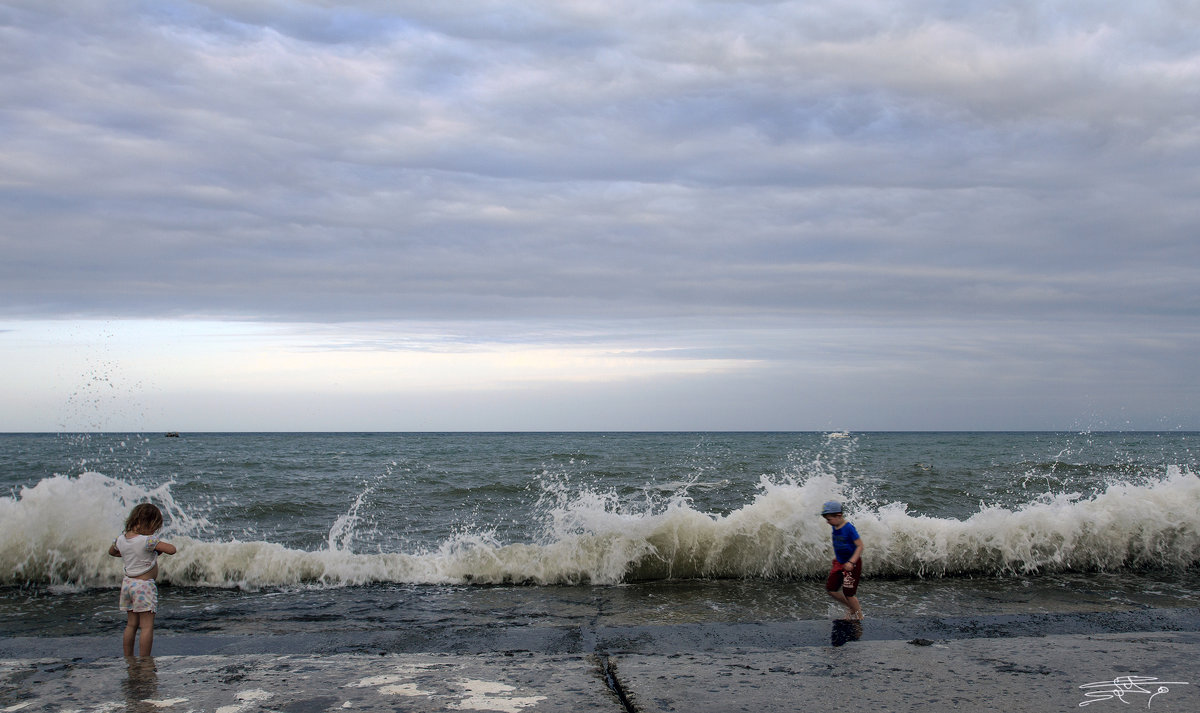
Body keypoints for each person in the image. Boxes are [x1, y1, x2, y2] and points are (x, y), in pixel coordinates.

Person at [108, 503, 177, 656]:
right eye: (153, 527)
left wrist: (127, 553)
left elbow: (112, 552)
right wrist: (156, 548)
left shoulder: (120, 539)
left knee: (131, 625)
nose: (154, 531)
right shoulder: (148, 541)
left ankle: (128, 657)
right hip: (144, 587)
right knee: (146, 627)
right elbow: (172, 550)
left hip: (127, 585)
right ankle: (145, 658)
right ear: (144, 524)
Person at [821, 500, 863, 620]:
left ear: (838, 516)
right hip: (840, 563)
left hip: (852, 564)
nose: (827, 522)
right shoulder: (835, 526)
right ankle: (851, 608)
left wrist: (851, 562)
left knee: (849, 593)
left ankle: (859, 616)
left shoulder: (849, 528)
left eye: (829, 519)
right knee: (831, 589)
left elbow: (860, 546)